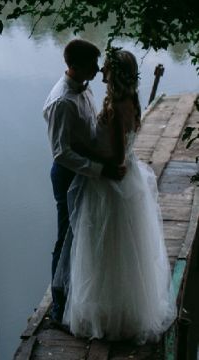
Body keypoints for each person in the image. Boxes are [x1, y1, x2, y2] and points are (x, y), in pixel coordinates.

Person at [58, 48, 177, 343]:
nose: (101, 72)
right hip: (128, 179)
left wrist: (85, 153)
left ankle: (111, 315)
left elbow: (116, 158)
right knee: (124, 249)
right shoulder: (131, 101)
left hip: (111, 186)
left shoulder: (113, 110)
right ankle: (124, 309)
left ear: (115, 73)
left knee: (106, 250)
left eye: (106, 68)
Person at [42, 39, 125, 324]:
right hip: (68, 174)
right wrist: (100, 170)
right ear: (74, 66)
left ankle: (79, 292)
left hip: (87, 168)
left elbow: (88, 133)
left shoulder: (85, 89)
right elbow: (62, 152)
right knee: (66, 236)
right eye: (93, 64)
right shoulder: (62, 101)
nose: (98, 68)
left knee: (84, 232)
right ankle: (58, 307)